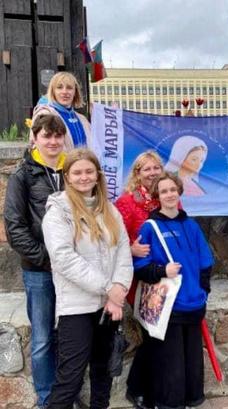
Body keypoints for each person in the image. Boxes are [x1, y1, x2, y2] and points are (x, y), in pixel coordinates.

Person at [42, 148, 133, 409]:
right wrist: (108, 288)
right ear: (67, 177)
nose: (84, 177)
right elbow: (63, 259)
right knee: (70, 379)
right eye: (77, 172)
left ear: (97, 175)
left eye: (89, 171)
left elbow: (123, 253)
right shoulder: (58, 213)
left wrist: (117, 291)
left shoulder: (110, 211)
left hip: (108, 307)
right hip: (76, 308)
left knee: (103, 374)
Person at [132, 172, 214, 409]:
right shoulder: (150, 228)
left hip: (194, 303)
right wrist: (162, 270)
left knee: (191, 360)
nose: (169, 194)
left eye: (173, 190)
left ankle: (190, 399)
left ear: (180, 192)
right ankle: (169, 403)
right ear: (157, 196)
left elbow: (205, 262)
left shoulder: (192, 225)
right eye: (164, 191)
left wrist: (203, 292)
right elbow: (140, 267)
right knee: (171, 363)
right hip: (168, 307)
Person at [4, 114, 67, 408]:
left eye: (57, 136)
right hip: (40, 271)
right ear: (36, 139)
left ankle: (65, 394)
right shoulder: (23, 175)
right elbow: (14, 228)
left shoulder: (73, 169)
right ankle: (46, 399)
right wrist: (47, 260)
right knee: (42, 339)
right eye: (47, 136)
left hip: (72, 270)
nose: (53, 141)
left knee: (69, 336)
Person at [115, 151, 163, 408]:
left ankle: (156, 387)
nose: (153, 173)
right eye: (147, 169)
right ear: (137, 173)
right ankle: (137, 389)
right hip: (139, 279)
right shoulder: (126, 202)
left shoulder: (167, 196)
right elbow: (113, 239)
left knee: (162, 334)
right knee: (150, 332)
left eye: (156, 168)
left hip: (164, 277)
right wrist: (130, 249)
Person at [31, 71, 91, 149]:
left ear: (75, 92)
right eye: (59, 87)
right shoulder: (45, 115)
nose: (64, 92)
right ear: (53, 91)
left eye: (69, 88)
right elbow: (38, 146)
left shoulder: (82, 119)